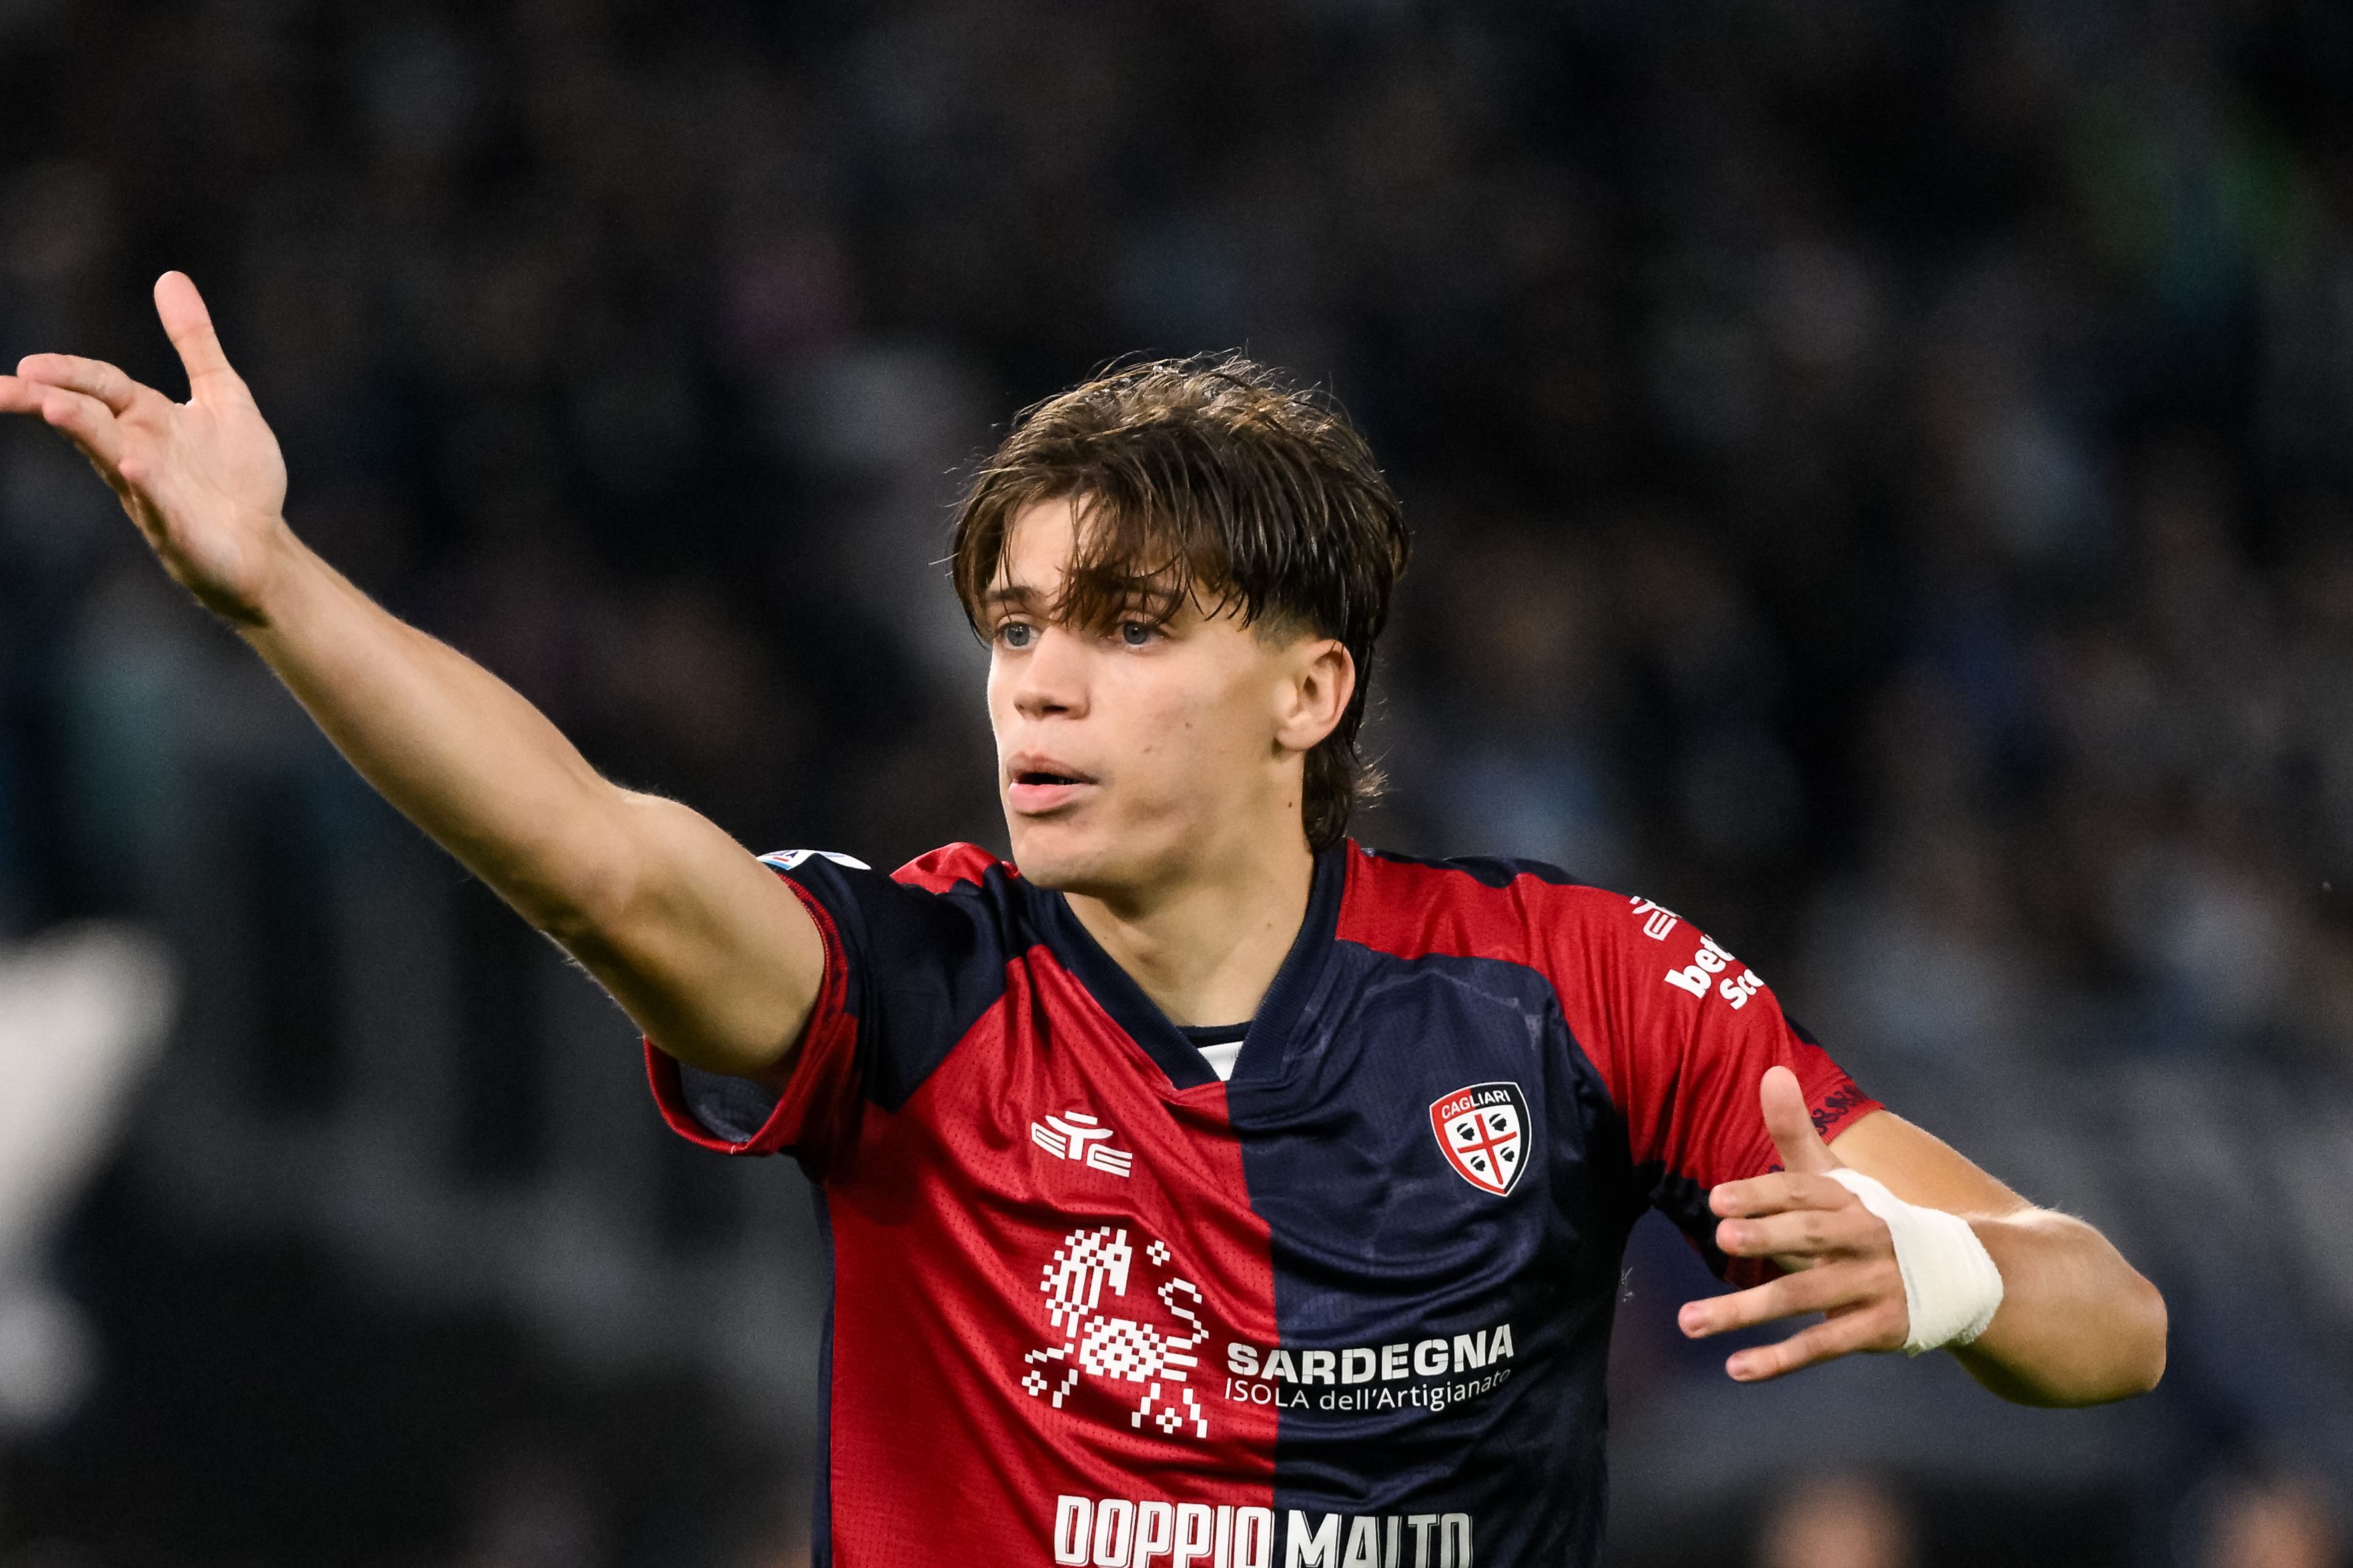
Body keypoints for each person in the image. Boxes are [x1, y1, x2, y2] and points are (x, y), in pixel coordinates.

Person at [1, 275, 2166, 1568]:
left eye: (1128, 626)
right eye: (1014, 623)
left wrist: (1947, 1272)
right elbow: (598, 856)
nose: (1036, 684)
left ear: (1310, 690)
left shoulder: (1576, 985)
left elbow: (2114, 1320)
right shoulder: (916, 990)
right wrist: (274, 588)